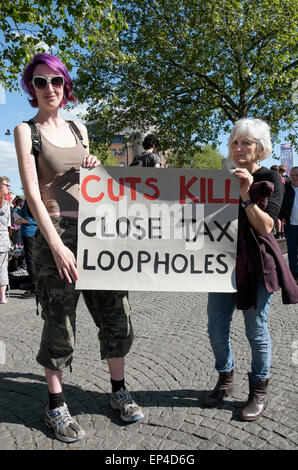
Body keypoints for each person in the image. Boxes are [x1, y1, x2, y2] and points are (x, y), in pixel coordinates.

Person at [14, 53, 143, 443]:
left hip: (95, 233)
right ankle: (56, 404)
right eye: (40, 82)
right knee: (60, 322)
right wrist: (54, 244)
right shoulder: (26, 130)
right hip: (56, 235)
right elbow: (32, 193)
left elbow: (95, 182)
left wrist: (95, 164)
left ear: (64, 85)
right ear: (31, 89)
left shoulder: (79, 127)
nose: (49, 88)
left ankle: (118, 390)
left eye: (55, 80)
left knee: (116, 314)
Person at [204, 118, 298, 421]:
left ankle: (259, 389)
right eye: (234, 142)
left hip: (257, 264)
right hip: (222, 263)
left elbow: (267, 226)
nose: (238, 147)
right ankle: (225, 377)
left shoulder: (272, 177)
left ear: (260, 147)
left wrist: (245, 194)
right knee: (215, 327)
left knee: (255, 329)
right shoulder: (222, 177)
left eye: (245, 142)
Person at [279, 166, 298, 284]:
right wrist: (282, 217)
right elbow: (278, 204)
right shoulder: (285, 189)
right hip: (291, 226)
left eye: (297, 175)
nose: (295, 177)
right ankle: (295, 277)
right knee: (292, 252)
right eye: (292, 175)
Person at [19, 199, 38, 297]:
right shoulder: (27, 199)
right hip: (27, 233)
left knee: (31, 261)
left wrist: (16, 219)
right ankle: (32, 282)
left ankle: (35, 288)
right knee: (29, 260)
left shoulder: (31, 198)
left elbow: (29, 219)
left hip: (30, 232)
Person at [0, 176, 12, 304]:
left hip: (3, 238)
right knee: (2, 268)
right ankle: (2, 297)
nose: (8, 187)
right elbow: (9, 225)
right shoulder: (6, 204)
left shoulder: (6, 203)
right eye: (6, 185)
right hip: (2, 239)